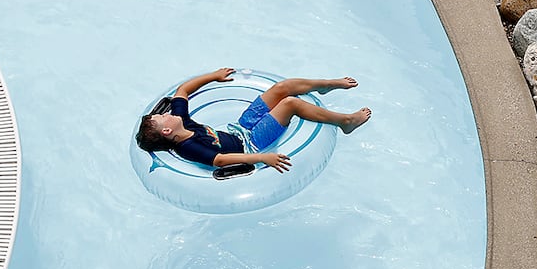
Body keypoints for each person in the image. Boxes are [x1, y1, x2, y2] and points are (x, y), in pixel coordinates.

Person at [135, 68, 371, 172]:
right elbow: (220, 160)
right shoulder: (189, 148)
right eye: (162, 116)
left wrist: (214, 76)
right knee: (290, 104)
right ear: (167, 130)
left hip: (240, 128)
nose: (167, 112)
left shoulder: (180, 119)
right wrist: (262, 157)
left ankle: (327, 85)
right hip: (252, 143)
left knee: (282, 88)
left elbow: (183, 90)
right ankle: (346, 122)